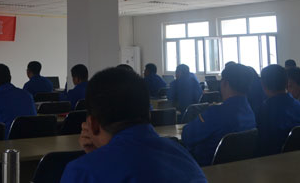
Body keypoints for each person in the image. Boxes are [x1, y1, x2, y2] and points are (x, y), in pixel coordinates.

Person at [60, 67, 207, 183]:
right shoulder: (182, 156)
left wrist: (95, 160)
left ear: (92, 124)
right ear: (149, 113)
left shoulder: (82, 172)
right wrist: (96, 155)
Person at [182, 63, 256, 166]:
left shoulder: (215, 113)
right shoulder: (250, 112)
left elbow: (187, 136)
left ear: (225, 83)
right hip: (238, 168)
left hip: (205, 168)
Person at [256, 64, 300, 156]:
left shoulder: (265, 109)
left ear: (263, 85)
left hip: (276, 159)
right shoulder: (299, 105)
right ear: (287, 83)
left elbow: (263, 143)